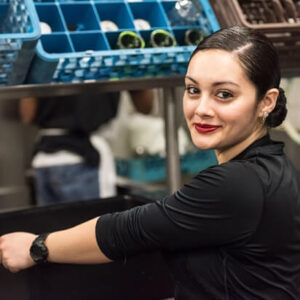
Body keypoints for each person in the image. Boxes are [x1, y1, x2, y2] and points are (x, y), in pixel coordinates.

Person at [1, 26, 300, 299]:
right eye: (193, 90)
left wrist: (36, 247)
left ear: (266, 102)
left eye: (224, 94)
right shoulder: (276, 167)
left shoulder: (238, 183)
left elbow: (128, 230)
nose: (202, 109)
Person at [19, 90, 153, 204]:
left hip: (44, 160)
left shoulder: (42, 62)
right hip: (83, 160)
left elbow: (27, 114)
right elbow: (146, 105)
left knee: (52, 231)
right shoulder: (107, 59)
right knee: (93, 229)